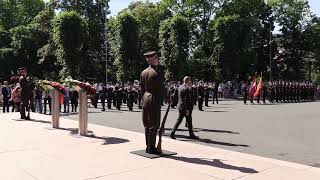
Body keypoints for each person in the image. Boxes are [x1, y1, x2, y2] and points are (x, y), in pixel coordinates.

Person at [140, 51, 170, 154]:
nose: (158, 60)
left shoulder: (143, 72)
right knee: (154, 125)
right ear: (152, 60)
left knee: (147, 124)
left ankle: (148, 145)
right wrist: (167, 99)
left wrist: (142, 100)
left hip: (145, 98)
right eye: (156, 58)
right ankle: (151, 148)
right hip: (153, 99)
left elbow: (142, 89)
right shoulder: (156, 73)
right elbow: (162, 88)